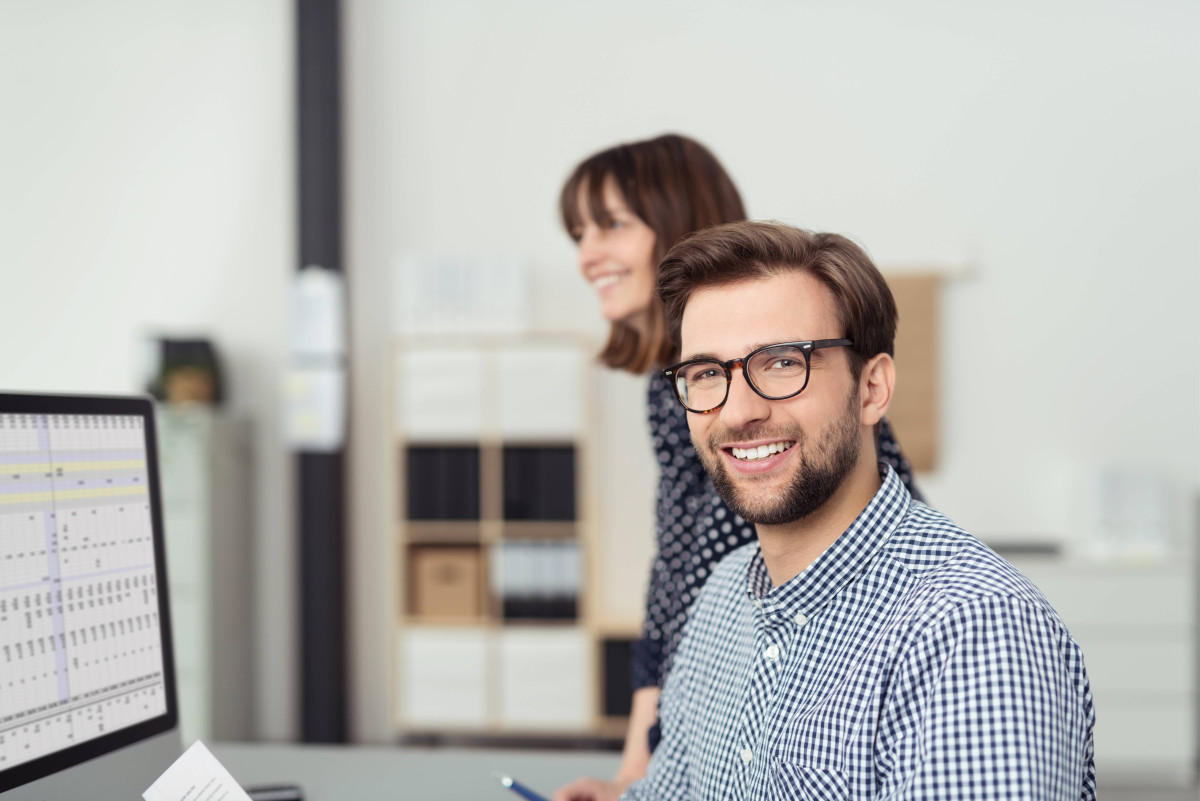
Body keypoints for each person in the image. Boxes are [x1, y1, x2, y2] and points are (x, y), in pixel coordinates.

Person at [618, 220, 1095, 799]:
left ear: (872, 389)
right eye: (706, 373)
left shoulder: (971, 629)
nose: (737, 411)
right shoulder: (721, 597)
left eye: (782, 362)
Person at [553, 135, 923, 800]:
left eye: (611, 224)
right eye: (578, 232)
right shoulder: (674, 395)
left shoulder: (784, 412)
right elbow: (677, 581)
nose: (587, 255)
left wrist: (638, 768)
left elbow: (695, 579)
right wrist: (640, 780)